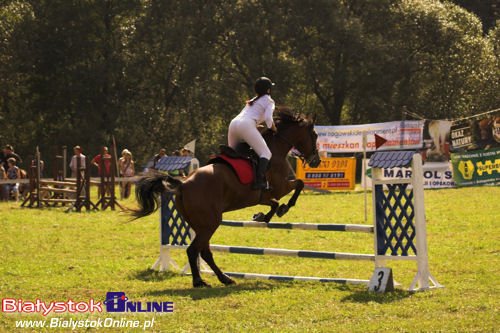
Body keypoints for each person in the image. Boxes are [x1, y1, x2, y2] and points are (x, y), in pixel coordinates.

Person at [228, 77, 277, 190]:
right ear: (269, 90)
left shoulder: (253, 100)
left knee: (231, 155)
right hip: (246, 125)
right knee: (266, 153)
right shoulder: (269, 100)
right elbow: (269, 119)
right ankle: (259, 182)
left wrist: (254, 126)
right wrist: (274, 129)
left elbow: (248, 116)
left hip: (233, 124)